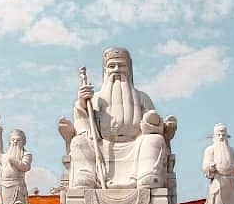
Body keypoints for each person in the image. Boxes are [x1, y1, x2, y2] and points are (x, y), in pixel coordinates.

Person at [69, 47, 177, 189]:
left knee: (155, 140)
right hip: (103, 146)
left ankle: (147, 175)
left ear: (129, 69)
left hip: (136, 146)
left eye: (121, 65)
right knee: (78, 142)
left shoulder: (142, 98)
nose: (116, 69)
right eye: (111, 66)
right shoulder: (95, 98)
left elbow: (154, 125)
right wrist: (82, 103)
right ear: (105, 70)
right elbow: (83, 122)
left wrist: (153, 122)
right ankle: (86, 176)